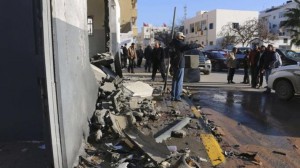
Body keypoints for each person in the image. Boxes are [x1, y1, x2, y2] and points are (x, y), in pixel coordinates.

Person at [169, 32, 202, 101]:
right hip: (179, 64)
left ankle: (173, 96)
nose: (183, 38)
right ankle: (177, 96)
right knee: (179, 81)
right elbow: (188, 46)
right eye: (182, 37)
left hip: (174, 64)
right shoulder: (179, 44)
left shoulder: (172, 43)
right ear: (179, 37)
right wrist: (198, 45)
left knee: (174, 80)